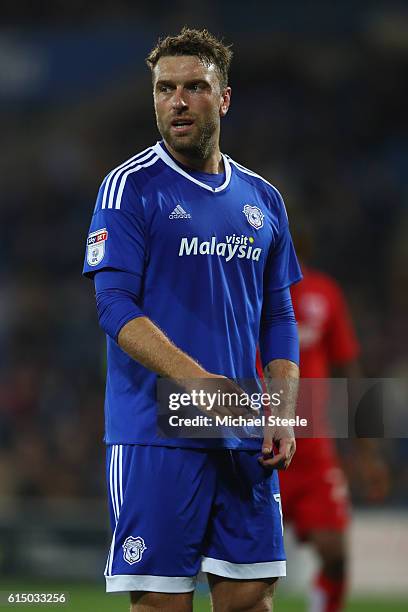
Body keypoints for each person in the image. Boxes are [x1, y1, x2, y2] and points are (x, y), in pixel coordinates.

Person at [83, 28, 302, 612]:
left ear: (223, 98)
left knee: (251, 600)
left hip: (243, 432)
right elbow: (113, 308)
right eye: (165, 89)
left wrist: (280, 410)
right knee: (160, 605)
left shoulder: (263, 200)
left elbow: (279, 316)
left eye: (194, 87)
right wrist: (200, 385)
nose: (178, 101)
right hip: (156, 434)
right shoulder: (129, 189)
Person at [266, 248, 388, 612]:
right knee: (244, 571)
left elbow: (349, 370)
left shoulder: (324, 292)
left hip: (315, 456)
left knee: (335, 552)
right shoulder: (245, 287)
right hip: (260, 449)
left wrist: (368, 452)